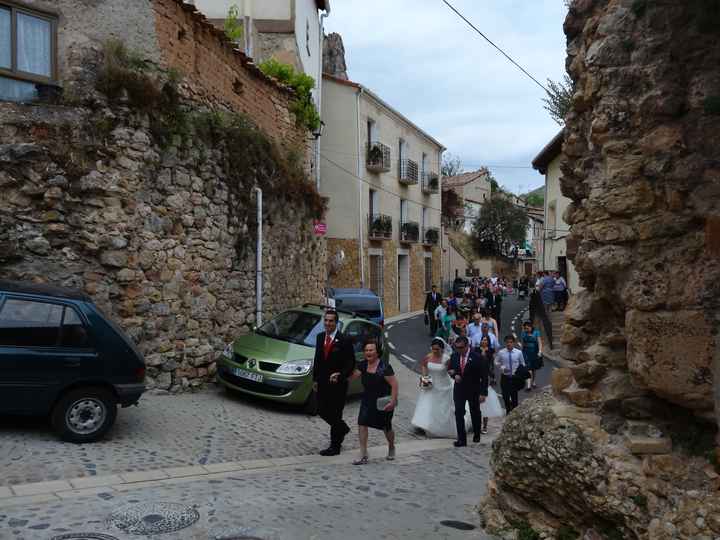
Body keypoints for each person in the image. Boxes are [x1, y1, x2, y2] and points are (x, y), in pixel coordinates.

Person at [312, 309, 355, 456]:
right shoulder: (319, 337)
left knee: (336, 414)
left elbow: (351, 363)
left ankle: (335, 447)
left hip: (338, 384)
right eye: (326, 320)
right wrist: (315, 379)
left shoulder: (344, 340)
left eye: (331, 321)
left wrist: (341, 374)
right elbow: (317, 360)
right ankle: (342, 429)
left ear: (336, 323)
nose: (328, 323)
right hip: (323, 383)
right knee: (321, 410)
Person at [349, 340, 399, 465]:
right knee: (362, 423)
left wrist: (392, 401)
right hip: (367, 399)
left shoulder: (385, 367)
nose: (368, 352)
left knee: (386, 427)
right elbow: (352, 376)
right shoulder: (363, 365)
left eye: (371, 350)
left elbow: (394, 385)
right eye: (366, 350)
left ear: (377, 352)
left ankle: (391, 446)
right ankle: (363, 453)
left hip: (383, 401)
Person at [411, 338, 469, 438]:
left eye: (437, 349)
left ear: (442, 349)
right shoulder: (428, 357)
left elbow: (453, 369)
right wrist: (425, 377)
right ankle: (425, 425)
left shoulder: (446, 359)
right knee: (428, 404)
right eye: (433, 349)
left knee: (445, 408)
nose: (435, 351)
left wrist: (453, 373)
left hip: (444, 386)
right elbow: (424, 366)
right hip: (431, 385)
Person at [447, 336, 489, 447]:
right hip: (459, 389)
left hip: (473, 389)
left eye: (461, 347)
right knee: (459, 413)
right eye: (457, 347)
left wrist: (483, 393)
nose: (459, 350)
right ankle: (461, 439)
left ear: (467, 346)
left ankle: (476, 434)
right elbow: (450, 369)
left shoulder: (477, 357)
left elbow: (484, 376)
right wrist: (454, 374)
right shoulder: (454, 356)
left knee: (475, 412)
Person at [476, 335, 504, 433]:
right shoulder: (476, 350)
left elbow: (491, 364)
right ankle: (476, 425)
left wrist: (492, 377)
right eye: (482, 339)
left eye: (485, 340)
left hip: (485, 380)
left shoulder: (490, 351)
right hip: (476, 381)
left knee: (486, 405)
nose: (484, 341)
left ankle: (484, 426)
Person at [495, 335, 525, 413]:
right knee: (505, 397)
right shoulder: (501, 352)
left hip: (514, 378)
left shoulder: (518, 353)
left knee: (514, 397)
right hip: (505, 377)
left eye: (511, 342)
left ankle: (515, 414)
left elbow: (522, 363)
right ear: (505, 343)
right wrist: (502, 368)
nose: (509, 344)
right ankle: (508, 411)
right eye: (507, 342)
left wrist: (520, 373)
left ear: (514, 343)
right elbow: (496, 362)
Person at [519, 320, 543, 391]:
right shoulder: (523, 333)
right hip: (526, 352)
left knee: (534, 369)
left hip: (534, 352)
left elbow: (539, 343)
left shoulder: (536, 333)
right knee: (528, 368)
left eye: (527, 328)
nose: (526, 330)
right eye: (525, 328)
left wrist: (540, 351)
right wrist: (521, 353)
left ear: (531, 327)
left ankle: (534, 381)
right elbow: (522, 344)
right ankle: (528, 385)